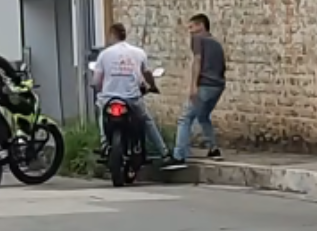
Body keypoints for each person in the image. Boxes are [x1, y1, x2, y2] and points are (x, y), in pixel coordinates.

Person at [93, 23, 176, 168]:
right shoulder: (138, 53)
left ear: (112, 35)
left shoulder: (104, 54)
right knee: (147, 121)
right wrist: (153, 86)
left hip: (109, 99)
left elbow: (96, 81)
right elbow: (147, 74)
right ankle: (164, 153)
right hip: (132, 99)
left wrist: (99, 88)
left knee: (101, 113)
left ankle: (104, 143)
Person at [168, 13, 226, 168]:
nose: (190, 31)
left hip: (205, 85)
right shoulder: (216, 43)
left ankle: (179, 155)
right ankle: (213, 148)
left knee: (185, 118)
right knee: (202, 116)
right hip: (218, 86)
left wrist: (194, 85)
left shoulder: (198, 40)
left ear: (201, 25)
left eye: (192, 27)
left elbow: (197, 61)